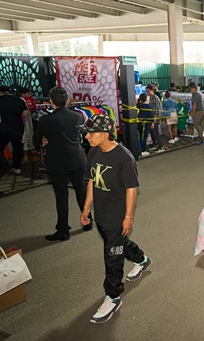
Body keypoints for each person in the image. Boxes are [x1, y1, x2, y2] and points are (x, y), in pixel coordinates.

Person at [79, 114, 152, 324]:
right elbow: (92, 181)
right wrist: (86, 207)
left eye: (91, 132)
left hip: (117, 216)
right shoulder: (93, 153)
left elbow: (131, 189)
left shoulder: (123, 157)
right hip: (101, 214)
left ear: (105, 133)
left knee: (112, 258)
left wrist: (128, 217)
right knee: (118, 243)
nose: (87, 136)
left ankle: (113, 296)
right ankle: (141, 259)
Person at [33, 86, 91, 241]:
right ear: (68, 100)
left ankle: (63, 230)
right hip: (77, 159)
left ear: (51, 101)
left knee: (61, 196)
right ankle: (88, 221)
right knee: (81, 190)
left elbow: (36, 139)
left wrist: (43, 140)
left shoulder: (45, 119)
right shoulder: (77, 116)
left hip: (57, 162)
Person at [0, 85, 27, 174]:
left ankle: (3, 164)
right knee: (18, 148)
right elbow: (24, 114)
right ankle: (17, 167)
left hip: (3, 128)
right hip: (18, 128)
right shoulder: (19, 100)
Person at [145, 85, 165, 152]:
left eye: (148, 91)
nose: (147, 92)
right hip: (152, 117)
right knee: (152, 132)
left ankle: (161, 146)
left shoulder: (155, 98)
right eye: (146, 91)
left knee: (156, 132)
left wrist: (154, 119)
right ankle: (155, 144)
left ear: (152, 90)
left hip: (156, 117)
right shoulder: (150, 97)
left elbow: (156, 110)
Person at [136, 94, 153, 158]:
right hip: (146, 124)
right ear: (146, 98)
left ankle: (142, 149)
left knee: (141, 136)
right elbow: (151, 116)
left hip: (139, 123)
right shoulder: (148, 106)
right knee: (144, 137)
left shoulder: (138, 106)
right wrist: (152, 123)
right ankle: (144, 150)